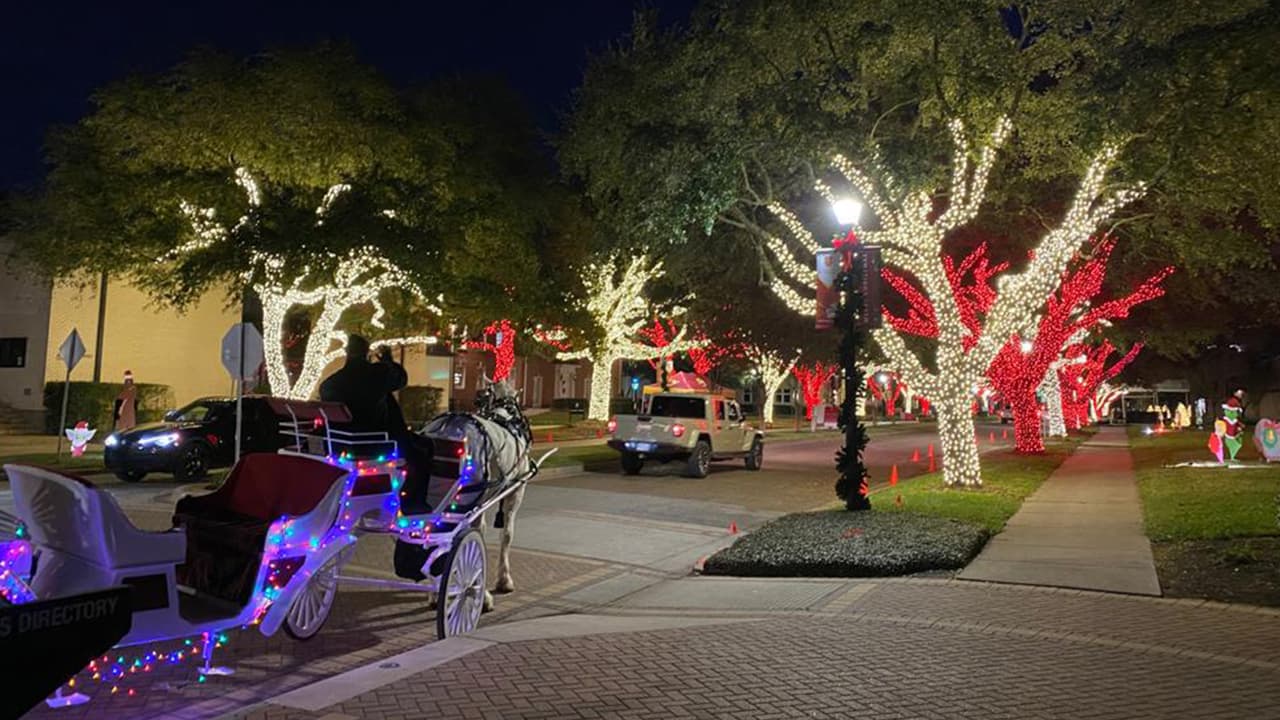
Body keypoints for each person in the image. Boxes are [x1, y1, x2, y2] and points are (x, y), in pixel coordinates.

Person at [320, 336, 433, 513]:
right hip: (376, 444)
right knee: (422, 451)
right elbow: (401, 379)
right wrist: (388, 361)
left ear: (347, 353)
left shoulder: (330, 383)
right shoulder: (377, 374)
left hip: (338, 444)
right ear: (367, 353)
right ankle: (414, 502)